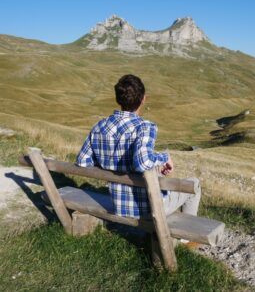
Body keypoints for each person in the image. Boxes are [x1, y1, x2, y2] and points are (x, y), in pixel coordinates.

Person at [76, 74, 201, 219]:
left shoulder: (100, 126)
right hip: (149, 208)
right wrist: (164, 157)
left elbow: (83, 161)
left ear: (118, 99)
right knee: (195, 184)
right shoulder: (145, 127)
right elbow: (142, 163)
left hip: (118, 205)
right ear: (143, 99)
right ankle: (186, 239)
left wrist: (109, 161)